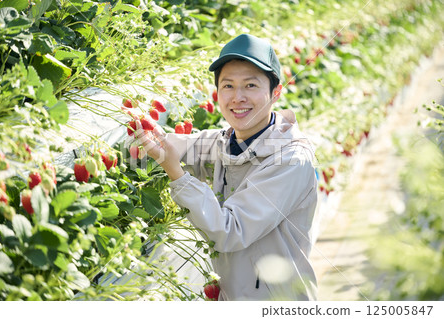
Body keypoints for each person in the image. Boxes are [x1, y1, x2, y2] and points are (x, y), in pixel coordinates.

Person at [135, 34, 318, 301]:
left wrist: (176, 172)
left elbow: (230, 231)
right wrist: (141, 130)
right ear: (217, 93)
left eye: (251, 85)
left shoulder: (291, 160)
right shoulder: (227, 140)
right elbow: (178, 145)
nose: (238, 97)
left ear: (275, 93)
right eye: (228, 86)